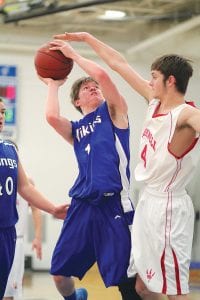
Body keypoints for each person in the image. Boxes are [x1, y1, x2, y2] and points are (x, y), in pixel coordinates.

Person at [53, 32, 200, 300]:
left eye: (154, 77)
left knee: (173, 289)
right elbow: (118, 63)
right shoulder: (154, 101)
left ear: (170, 80)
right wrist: (87, 39)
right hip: (146, 202)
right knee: (142, 287)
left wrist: (75, 54)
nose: (148, 80)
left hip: (169, 205)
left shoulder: (188, 115)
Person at [39, 39, 142, 300]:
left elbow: (103, 75)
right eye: (87, 88)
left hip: (114, 204)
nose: (94, 88)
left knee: (127, 279)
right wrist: (53, 83)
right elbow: (51, 117)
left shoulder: (114, 113)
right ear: (77, 100)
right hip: (82, 204)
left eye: (95, 87)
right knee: (60, 273)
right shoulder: (76, 130)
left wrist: (74, 54)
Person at [0, 97, 67, 300]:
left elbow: (25, 187)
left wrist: (53, 209)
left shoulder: (10, 150)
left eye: (3, 112)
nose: (0, 116)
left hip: (6, 234)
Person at [3, 177, 42, 300]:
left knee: (10, 291)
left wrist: (38, 237)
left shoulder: (26, 182)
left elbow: (36, 209)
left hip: (15, 241)